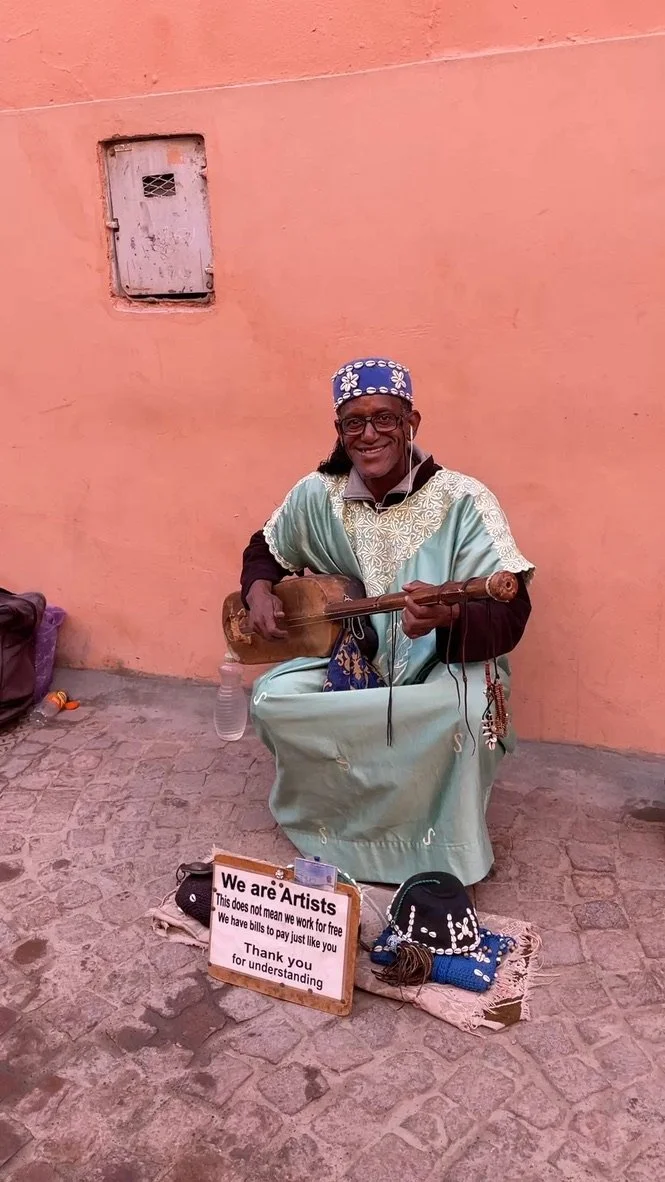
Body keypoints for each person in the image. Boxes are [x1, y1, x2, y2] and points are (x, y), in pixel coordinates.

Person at [240, 358, 533, 885]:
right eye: (355, 422)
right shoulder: (317, 494)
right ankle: (337, 832)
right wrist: (259, 589)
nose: (370, 434)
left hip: (442, 665)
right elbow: (266, 546)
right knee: (270, 699)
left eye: (385, 419)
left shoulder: (464, 500)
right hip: (354, 660)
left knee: (465, 710)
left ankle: (442, 850)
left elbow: (511, 607)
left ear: (411, 422)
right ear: (339, 432)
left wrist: (447, 619)